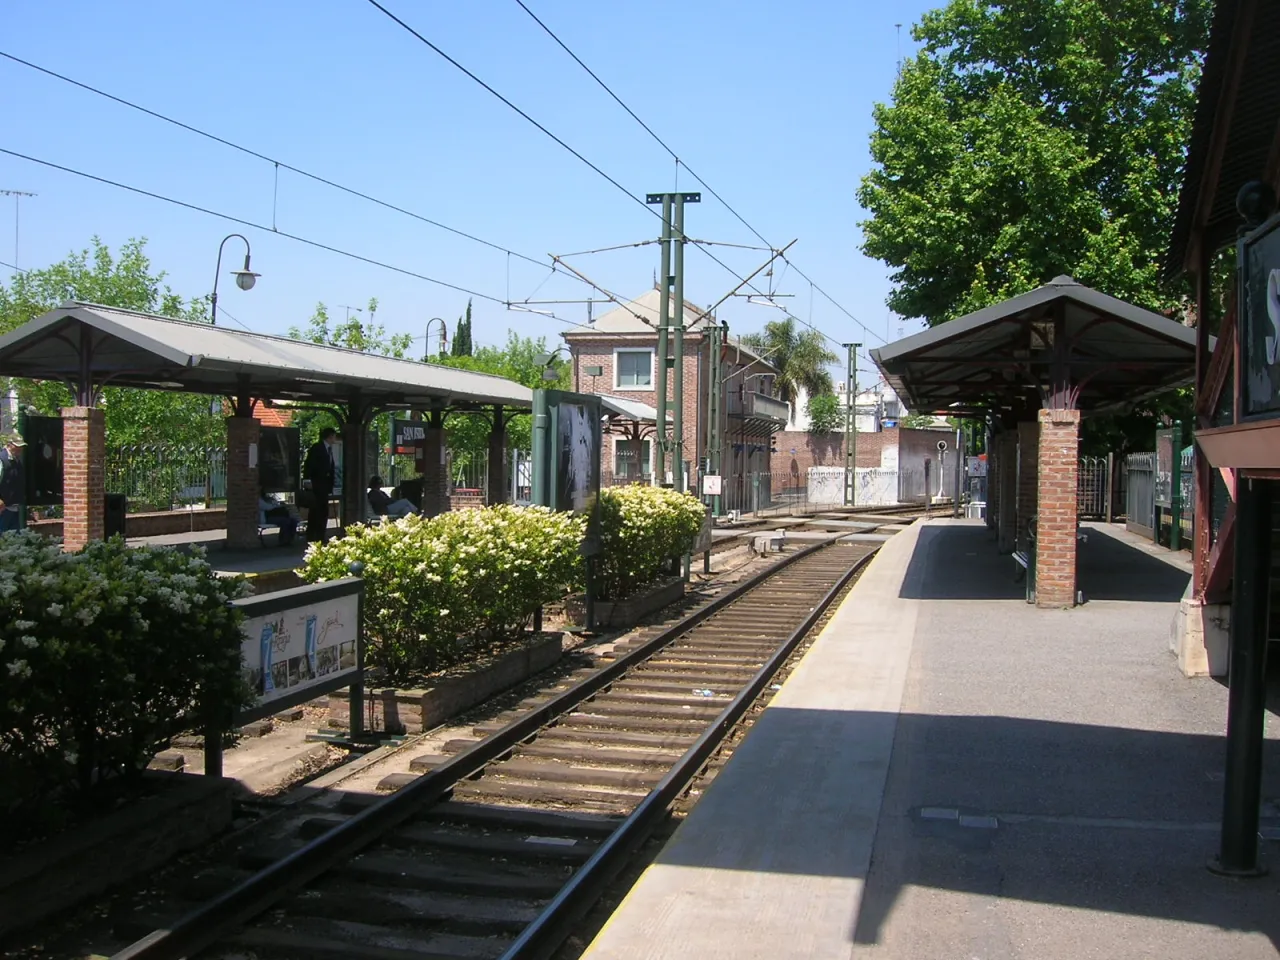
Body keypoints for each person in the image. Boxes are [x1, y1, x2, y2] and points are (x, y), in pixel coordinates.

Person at [303, 427, 339, 542]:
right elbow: (310, 465)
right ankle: (314, 535)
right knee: (316, 511)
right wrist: (308, 480)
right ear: (329, 436)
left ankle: (320, 535)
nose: (335, 439)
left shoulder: (329, 449)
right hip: (317, 485)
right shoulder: (317, 448)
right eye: (333, 436)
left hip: (325, 486)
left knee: (323, 511)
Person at [0, 434, 25, 533]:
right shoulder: (2, 460)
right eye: (17, 446)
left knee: (14, 540)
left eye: (21, 446)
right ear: (9, 445)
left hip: (14, 507)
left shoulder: (17, 461)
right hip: (3, 509)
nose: (20, 449)